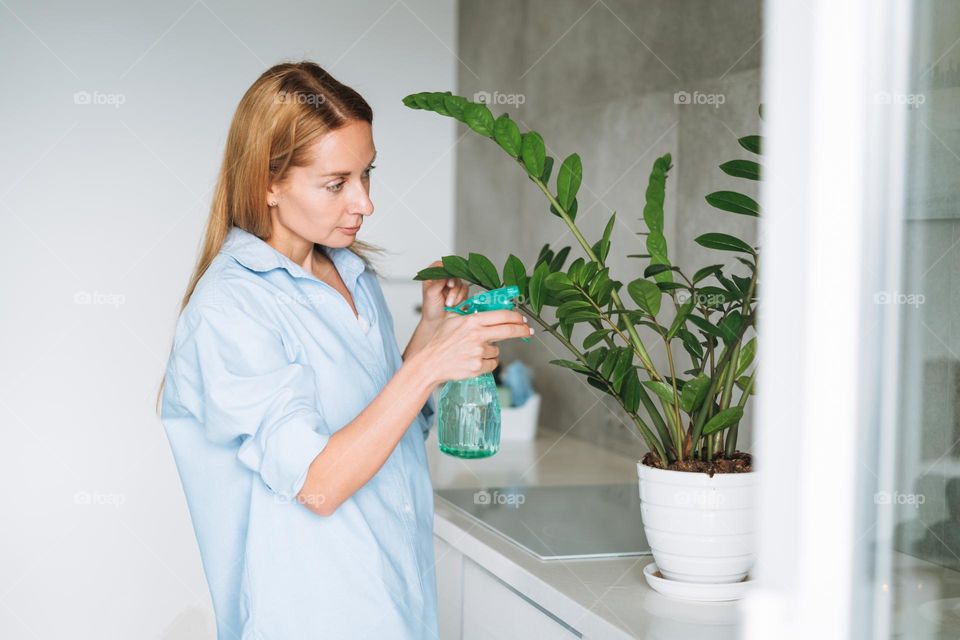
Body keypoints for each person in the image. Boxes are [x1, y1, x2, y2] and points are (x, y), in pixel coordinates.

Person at [157, 61, 532, 639]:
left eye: (366, 175)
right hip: (313, 617)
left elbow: (385, 429)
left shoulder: (351, 275)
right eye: (336, 184)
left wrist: (430, 338)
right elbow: (319, 483)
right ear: (268, 183)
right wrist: (430, 364)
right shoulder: (230, 308)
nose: (364, 203)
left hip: (394, 601)